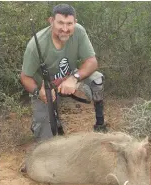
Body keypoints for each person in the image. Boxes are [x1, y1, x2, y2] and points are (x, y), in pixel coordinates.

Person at [21, 4, 107, 141]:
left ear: (75, 23)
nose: (65, 29)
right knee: (46, 141)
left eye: (69, 24)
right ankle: (43, 123)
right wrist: (39, 93)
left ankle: (100, 124)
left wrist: (74, 78)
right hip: (45, 87)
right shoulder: (35, 45)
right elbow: (25, 77)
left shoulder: (79, 31)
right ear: (51, 21)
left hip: (69, 79)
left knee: (97, 79)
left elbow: (92, 61)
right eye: (60, 23)